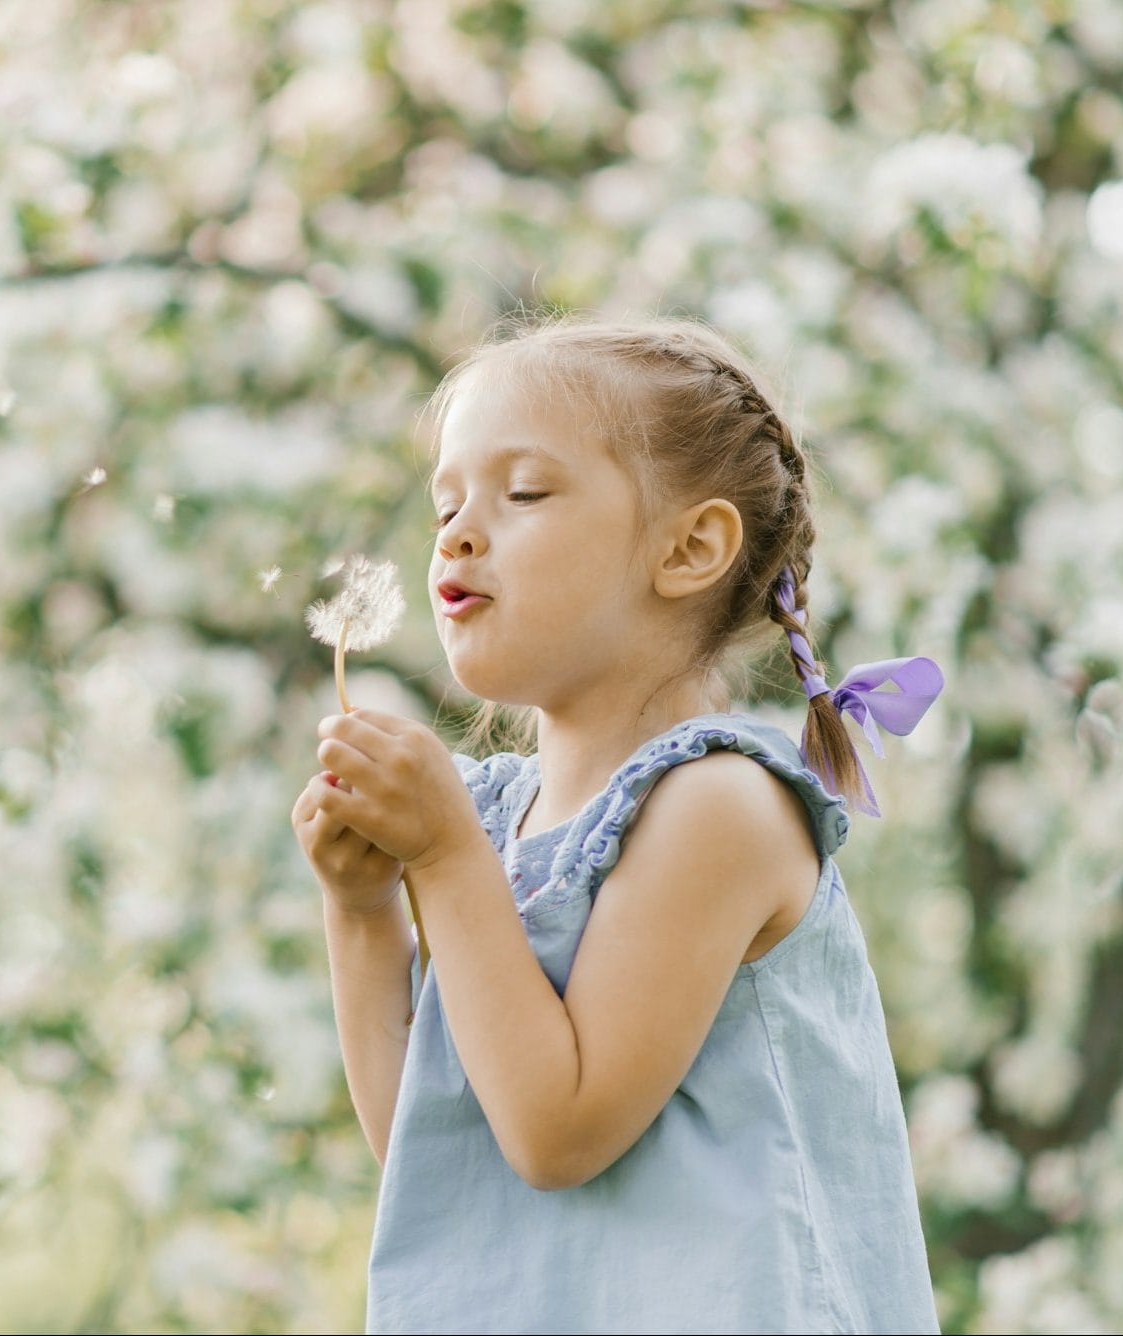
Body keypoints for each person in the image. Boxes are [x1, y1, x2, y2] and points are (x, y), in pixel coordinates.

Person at [291, 315, 944, 1335]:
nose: (458, 533)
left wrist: (443, 855)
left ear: (688, 548)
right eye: (445, 504)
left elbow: (559, 1130)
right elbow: (438, 1151)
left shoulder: (718, 804)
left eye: (524, 493)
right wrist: (366, 906)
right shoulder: (494, 824)